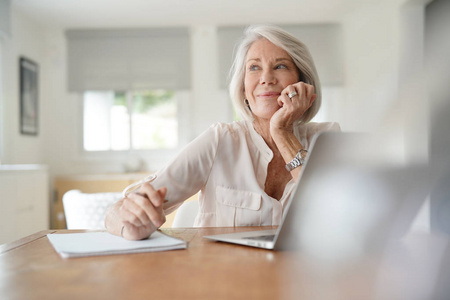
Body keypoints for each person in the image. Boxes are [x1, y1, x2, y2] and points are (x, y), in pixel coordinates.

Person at [105, 25, 340, 240]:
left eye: (280, 66)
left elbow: (339, 213)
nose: (266, 78)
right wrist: (129, 224)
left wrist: (282, 132)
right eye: (254, 67)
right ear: (243, 89)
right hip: (222, 278)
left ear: (303, 82)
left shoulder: (328, 137)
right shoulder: (220, 140)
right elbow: (121, 211)